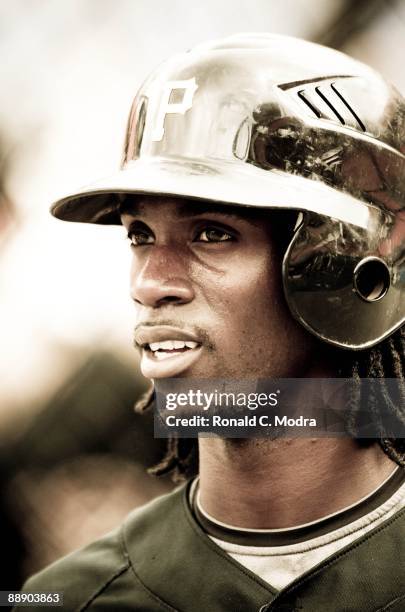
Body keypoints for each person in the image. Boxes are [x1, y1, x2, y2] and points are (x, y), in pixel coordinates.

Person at [16, 33, 405, 612]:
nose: (148, 284)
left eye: (211, 234)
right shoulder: (64, 598)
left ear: (345, 264)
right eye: (139, 236)